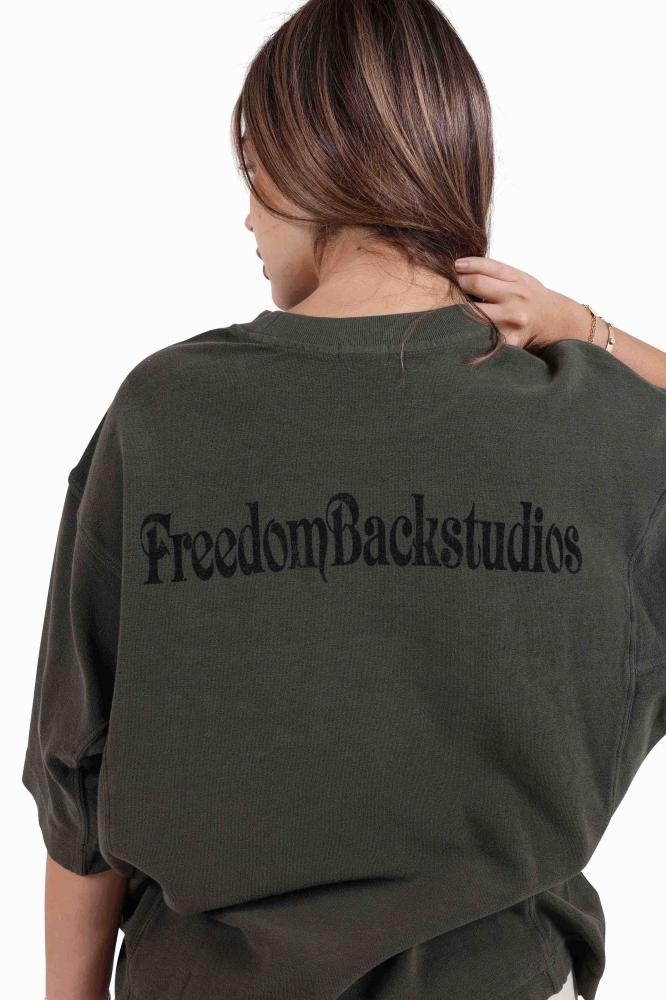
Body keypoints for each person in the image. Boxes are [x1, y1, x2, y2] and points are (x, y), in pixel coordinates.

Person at [21, 2, 666, 999]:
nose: (247, 216)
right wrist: (590, 330)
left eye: (252, 172)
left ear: (301, 163)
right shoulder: (608, 432)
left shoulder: (162, 415)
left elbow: (78, 781)